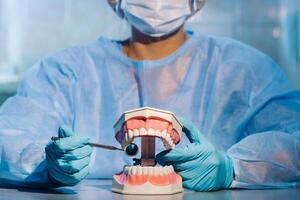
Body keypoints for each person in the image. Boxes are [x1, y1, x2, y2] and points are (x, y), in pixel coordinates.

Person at [0, 0, 299, 191]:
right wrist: (46, 164)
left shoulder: (246, 70)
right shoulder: (64, 72)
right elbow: (10, 137)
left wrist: (232, 168)